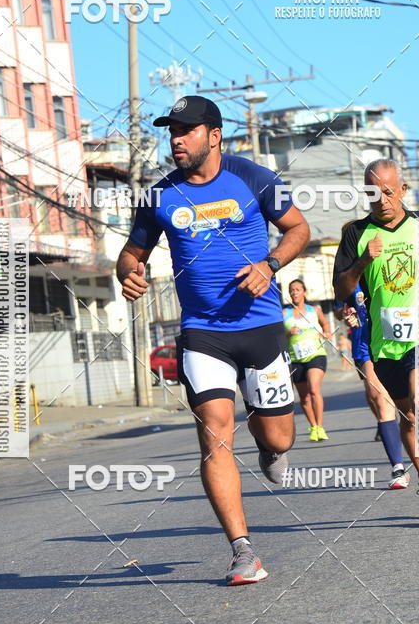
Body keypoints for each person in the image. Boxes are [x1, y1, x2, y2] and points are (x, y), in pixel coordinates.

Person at [117, 96, 310, 585]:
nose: (176, 140)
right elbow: (131, 253)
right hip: (203, 333)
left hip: (261, 328)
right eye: (171, 131)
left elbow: (298, 229)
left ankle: (270, 449)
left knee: (278, 435)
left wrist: (270, 265)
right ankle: (242, 550)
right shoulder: (158, 197)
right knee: (214, 434)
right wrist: (129, 274)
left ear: (214, 135)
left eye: (186, 131)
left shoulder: (257, 179)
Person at [333, 158, 419, 519]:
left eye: (387, 191)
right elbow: (341, 288)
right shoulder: (356, 233)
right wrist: (361, 263)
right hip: (385, 341)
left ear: (402, 190)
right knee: (408, 415)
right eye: (373, 192)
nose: (381, 198)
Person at [341, 286, 410, 490]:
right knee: (380, 399)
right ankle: (398, 467)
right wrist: (348, 316)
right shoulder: (351, 278)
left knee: (410, 412)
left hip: (397, 340)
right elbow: (342, 306)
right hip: (365, 343)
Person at [283, 278, 331, 441]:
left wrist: (327, 333)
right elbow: (277, 336)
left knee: (313, 389)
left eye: (297, 289)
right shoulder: (284, 313)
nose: (294, 292)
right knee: (304, 397)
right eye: (291, 290)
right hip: (296, 358)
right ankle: (314, 427)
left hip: (316, 355)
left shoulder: (314, 310)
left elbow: (325, 324)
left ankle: (320, 426)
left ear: (304, 292)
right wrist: (288, 333)